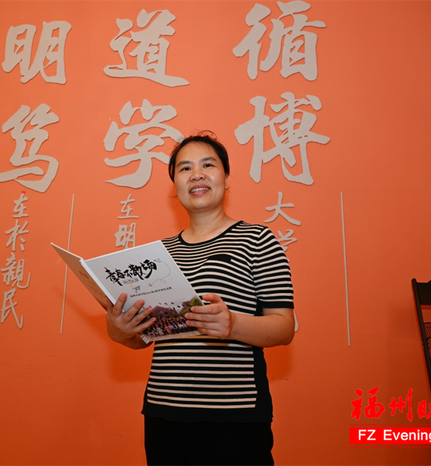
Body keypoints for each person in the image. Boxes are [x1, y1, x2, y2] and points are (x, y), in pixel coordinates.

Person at [104, 131, 296, 466]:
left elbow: (284, 327)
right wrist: (120, 331)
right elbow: (147, 336)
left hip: (234, 416)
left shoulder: (257, 240)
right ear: (175, 185)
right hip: (164, 413)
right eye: (185, 168)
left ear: (226, 177)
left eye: (208, 165)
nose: (196, 175)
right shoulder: (159, 255)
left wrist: (232, 324)